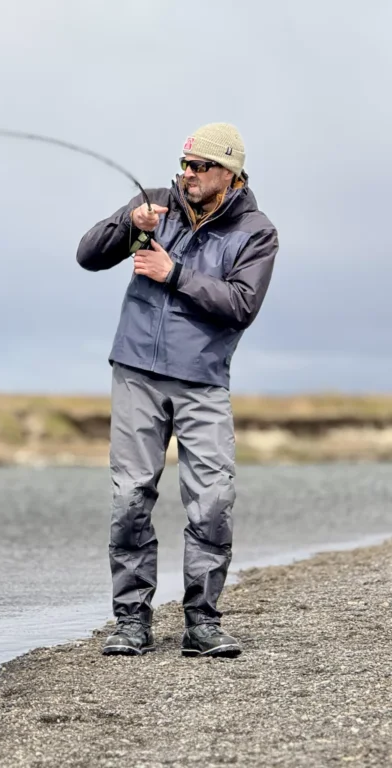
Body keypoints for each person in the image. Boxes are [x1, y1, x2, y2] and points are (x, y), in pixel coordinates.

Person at [76, 123, 279, 658]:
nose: (187, 175)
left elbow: (241, 305)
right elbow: (88, 255)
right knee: (130, 498)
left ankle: (202, 623)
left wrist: (174, 273)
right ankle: (131, 621)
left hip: (203, 380)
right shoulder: (155, 208)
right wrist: (128, 223)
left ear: (229, 174)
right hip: (136, 371)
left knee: (212, 501)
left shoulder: (257, 233)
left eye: (199, 167)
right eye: (184, 165)